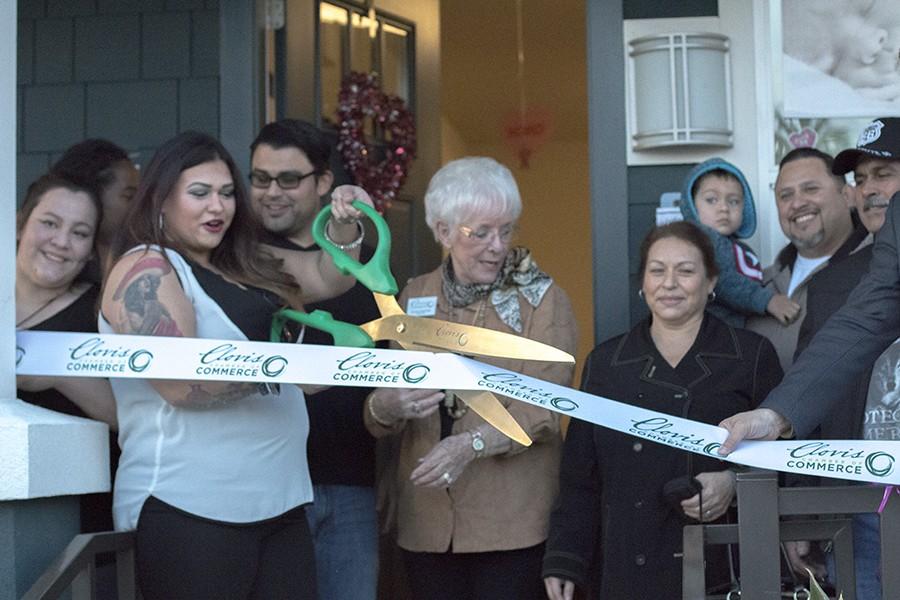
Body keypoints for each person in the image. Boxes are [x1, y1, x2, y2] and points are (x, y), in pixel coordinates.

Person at [98, 130, 372, 599]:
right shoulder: (147, 267)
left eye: (226, 193)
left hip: (281, 505)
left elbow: (331, 275)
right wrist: (283, 370)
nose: (218, 207)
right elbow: (181, 383)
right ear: (161, 200)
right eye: (200, 193)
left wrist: (347, 223)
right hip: (190, 508)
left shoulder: (245, 259)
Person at [364, 157, 578, 600]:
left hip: (512, 522)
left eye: (506, 230)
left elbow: (545, 403)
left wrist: (472, 443)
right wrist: (384, 406)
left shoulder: (543, 299)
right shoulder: (414, 295)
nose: (497, 246)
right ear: (442, 232)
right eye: (479, 232)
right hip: (426, 522)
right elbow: (383, 403)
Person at [542, 221, 783, 600]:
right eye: (657, 270)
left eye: (685, 271)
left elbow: (785, 453)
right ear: (643, 282)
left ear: (711, 282)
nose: (669, 283)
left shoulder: (750, 355)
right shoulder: (607, 362)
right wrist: (565, 557)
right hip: (627, 562)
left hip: (721, 565)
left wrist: (734, 483)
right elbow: (579, 475)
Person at [726, 118, 900, 600]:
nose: (869, 190)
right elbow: (861, 323)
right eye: (860, 178)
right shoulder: (853, 275)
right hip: (871, 498)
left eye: (883, 173)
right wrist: (775, 415)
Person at [249, 118, 381, 600]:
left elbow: (387, 362)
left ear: (324, 182)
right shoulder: (236, 255)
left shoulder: (366, 261)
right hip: (268, 484)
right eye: (260, 178)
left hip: (353, 483)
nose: (271, 192)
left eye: (288, 179)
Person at [15, 173, 118, 534]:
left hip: (78, 521)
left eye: (79, 232)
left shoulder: (104, 311)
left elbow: (136, 418)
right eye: (49, 223)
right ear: (19, 225)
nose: (61, 242)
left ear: (91, 248)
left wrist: (59, 372)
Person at [745, 147, 867, 371]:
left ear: (848, 196)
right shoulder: (756, 284)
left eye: (810, 189)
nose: (797, 203)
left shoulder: (877, 275)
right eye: (785, 195)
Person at [679, 157, 799, 327]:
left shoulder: (737, 247)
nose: (724, 208)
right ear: (692, 205)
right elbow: (723, 281)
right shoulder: (701, 242)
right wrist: (769, 300)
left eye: (733, 201)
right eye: (711, 200)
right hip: (712, 335)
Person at [51, 138, 139, 279]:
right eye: (130, 196)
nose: (139, 204)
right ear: (92, 196)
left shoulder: (143, 256)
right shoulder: (54, 265)